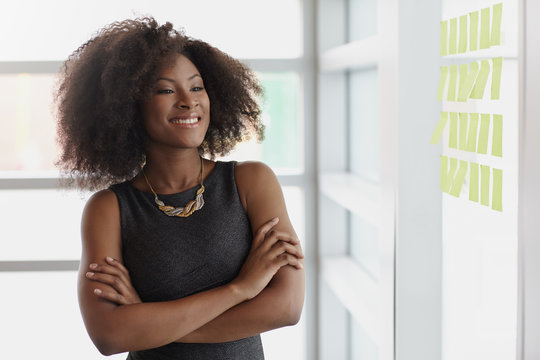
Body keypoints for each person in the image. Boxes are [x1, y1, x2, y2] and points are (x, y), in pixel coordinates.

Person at [55, 17, 305, 359]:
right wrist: (241, 289)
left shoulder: (251, 182)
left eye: (197, 87)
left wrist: (148, 327)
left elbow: (286, 307)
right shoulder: (109, 209)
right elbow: (110, 336)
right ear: (129, 107)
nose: (189, 102)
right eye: (166, 90)